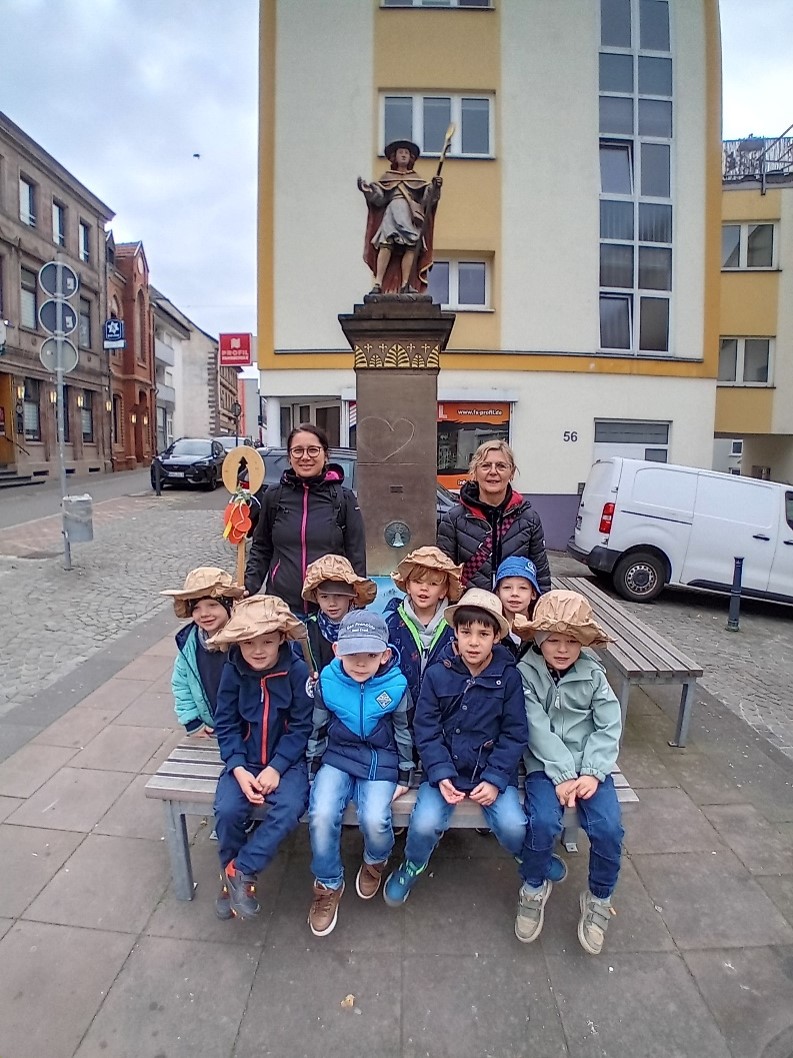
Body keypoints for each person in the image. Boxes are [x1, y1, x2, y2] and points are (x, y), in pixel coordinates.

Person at [383, 589, 528, 909]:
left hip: (489, 771)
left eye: (483, 633)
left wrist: (494, 779)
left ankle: (527, 857)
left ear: (496, 638)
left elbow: (515, 733)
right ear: (456, 634)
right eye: (466, 632)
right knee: (422, 824)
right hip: (445, 770)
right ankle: (413, 864)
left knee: (514, 825)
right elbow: (426, 728)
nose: (474, 641)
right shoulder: (438, 673)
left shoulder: (509, 678)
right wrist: (440, 772)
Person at [513, 590, 624, 955]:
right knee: (543, 823)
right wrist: (561, 773)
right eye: (554, 640)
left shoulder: (593, 674)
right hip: (544, 766)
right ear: (540, 641)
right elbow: (535, 726)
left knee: (608, 828)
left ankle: (598, 897)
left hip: (590, 766)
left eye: (572, 641)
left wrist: (591, 772)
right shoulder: (525, 673)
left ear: (583, 643)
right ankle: (533, 886)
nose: (562, 649)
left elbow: (608, 724)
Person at [307, 611, 413, 937]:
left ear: (384, 654)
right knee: (322, 814)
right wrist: (313, 764)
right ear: (337, 650)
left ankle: (375, 859)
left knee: (376, 820)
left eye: (371, 654)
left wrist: (406, 774)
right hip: (337, 756)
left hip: (380, 760)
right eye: (353, 654)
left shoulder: (395, 685)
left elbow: (404, 731)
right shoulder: (328, 680)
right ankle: (328, 883)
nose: (361, 663)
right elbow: (318, 724)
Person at [209, 595, 313, 921]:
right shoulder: (233, 671)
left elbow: (301, 726)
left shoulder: (296, 671)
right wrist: (238, 767)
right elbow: (225, 723)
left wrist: (277, 767)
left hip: (287, 763)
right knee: (227, 810)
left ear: (282, 638)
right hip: (245, 761)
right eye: (249, 642)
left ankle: (241, 870)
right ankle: (233, 882)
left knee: (291, 808)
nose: (257, 650)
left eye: (267, 641)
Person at [244, 423, 366, 615]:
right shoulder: (274, 496)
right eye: (298, 451)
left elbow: (356, 555)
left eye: (313, 450)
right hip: (282, 608)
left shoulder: (344, 499)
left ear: (325, 455)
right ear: (289, 457)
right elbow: (261, 548)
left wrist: (358, 603)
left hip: (329, 609)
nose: (305, 457)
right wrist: (249, 585)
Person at [437, 440, 551, 595]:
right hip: (470, 612)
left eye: (501, 466)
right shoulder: (454, 519)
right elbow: (443, 576)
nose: (493, 472)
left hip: (514, 612)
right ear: (474, 472)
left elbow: (541, 576)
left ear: (511, 473)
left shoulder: (529, 520)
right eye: (485, 466)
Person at [160, 567, 243, 737]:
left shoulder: (244, 640)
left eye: (212, 605)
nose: (204, 614)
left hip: (246, 728)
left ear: (228, 605)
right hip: (212, 727)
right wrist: (193, 723)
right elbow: (181, 684)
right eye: (196, 608)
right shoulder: (190, 645)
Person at [385, 545, 463, 712]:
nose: (424, 588)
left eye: (433, 583)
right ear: (407, 586)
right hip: (399, 714)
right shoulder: (391, 622)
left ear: (444, 591)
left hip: (442, 714)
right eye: (417, 582)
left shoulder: (455, 625)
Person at [358, 140, 442, 295]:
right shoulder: (387, 178)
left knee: (411, 246)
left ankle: (406, 284)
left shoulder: (416, 179)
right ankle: (378, 283)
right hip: (392, 211)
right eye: (400, 152)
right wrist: (367, 191)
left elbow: (426, 201)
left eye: (406, 153)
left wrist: (435, 188)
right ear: (394, 157)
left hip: (409, 215)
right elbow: (379, 199)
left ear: (411, 158)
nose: (403, 155)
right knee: (386, 243)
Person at [299, 554, 378, 676]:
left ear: (352, 596)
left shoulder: (367, 627)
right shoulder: (307, 631)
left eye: (339, 595)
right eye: (324, 596)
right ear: (316, 597)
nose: (332, 603)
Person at [494, 556, 543, 663]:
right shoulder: (491, 627)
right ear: (497, 593)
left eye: (523, 588)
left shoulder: (541, 628)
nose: (514, 593)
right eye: (507, 587)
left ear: (533, 594)